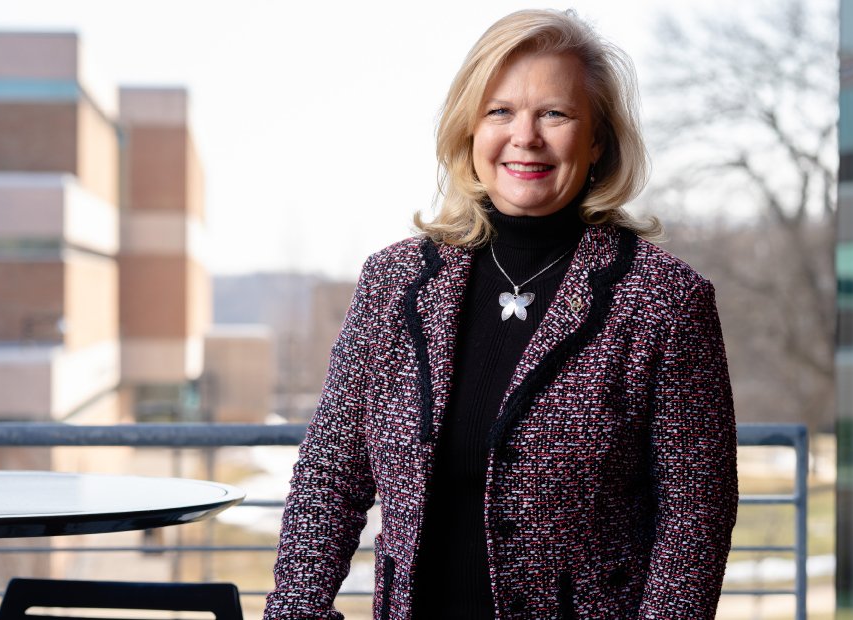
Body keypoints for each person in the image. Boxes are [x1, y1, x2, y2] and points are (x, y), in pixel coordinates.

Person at [263, 9, 739, 620]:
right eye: (500, 111)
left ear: (597, 140)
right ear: (469, 131)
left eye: (555, 113)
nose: (526, 136)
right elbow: (331, 474)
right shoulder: (393, 282)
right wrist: (296, 610)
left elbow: (695, 518)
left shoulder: (666, 301)